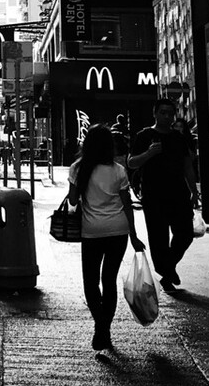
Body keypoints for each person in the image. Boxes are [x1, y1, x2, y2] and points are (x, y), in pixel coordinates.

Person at [68, 123, 145, 352]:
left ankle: (100, 327)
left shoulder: (78, 168)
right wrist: (134, 236)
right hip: (118, 231)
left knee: (90, 282)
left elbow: (72, 201)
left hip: (91, 231)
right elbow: (127, 205)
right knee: (109, 280)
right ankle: (104, 328)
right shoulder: (119, 170)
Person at [128, 98, 200, 292]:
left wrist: (194, 191)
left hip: (179, 194)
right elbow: (131, 163)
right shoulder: (145, 136)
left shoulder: (179, 138)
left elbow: (187, 166)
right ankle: (167, 271)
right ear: (155, 113)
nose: (167, 117)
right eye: (163, 113)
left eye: (170, 113)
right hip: (154, 196)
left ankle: (168, 269)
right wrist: (149, 154)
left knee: (185, 234)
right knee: (158, 239)